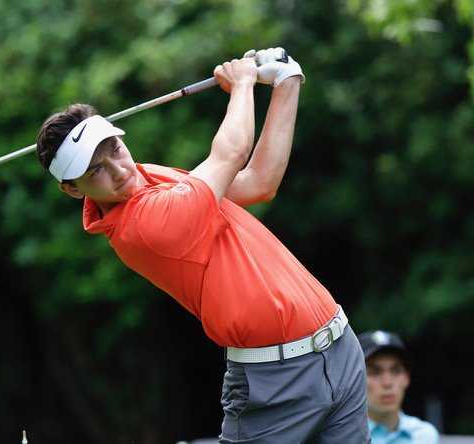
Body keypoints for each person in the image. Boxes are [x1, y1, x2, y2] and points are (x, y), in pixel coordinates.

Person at [35, 48, 369, 443]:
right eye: (97, 171)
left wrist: (286, 81)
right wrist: (242, 83)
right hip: (274, 384)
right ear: (73, 190)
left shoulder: (149, 178)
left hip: (341, 350)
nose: (121, 170)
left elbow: (259, 181)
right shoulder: (142, 226)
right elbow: (230, 154)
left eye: (116, 151)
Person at [358, 330, 440, 444]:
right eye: (374, 372)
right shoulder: (341, 438)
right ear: (354, 380)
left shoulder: (425, 436)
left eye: (396, 371)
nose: (387, 383)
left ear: (407, 378)